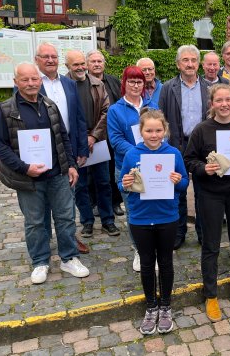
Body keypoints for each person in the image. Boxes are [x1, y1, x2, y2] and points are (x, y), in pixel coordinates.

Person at [0, 63, 90, 284]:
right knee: (35, 222)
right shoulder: (6, 109)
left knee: (66, 218)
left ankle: (68, 258)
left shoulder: (49, 105)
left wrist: (72, 166)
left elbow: (63, 137)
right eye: (25, 80)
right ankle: (40, 262)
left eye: (34, 79)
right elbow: (0, 146)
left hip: (57, 174)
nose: (30, 84)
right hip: (28, 179)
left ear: (40, 80)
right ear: (15, 81)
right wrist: (24, 167)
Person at [183, 84, 230, 322]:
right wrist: (203, 168)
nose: (224, 104)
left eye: (228, 100)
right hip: (210, 194)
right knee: (211, 245)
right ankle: (211, 294)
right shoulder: (202, 130)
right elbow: (189, 160)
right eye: (219, 100)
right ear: (212, 104)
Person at [118, 108, 189, 335]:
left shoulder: (174, 154)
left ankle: (166, 305)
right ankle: (151, 306)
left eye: (158, 130)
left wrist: (178, 181)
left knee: (166, 262)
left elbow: (184, 183)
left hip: (167, 216)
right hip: (140, 217)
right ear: (141, 131)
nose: (154, 134)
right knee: (147, 263)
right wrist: (126, 183)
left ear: (164, 130)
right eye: (149, 130)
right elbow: (122, 185)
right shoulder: (132, 154)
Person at [34, 43, 90, 255]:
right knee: (42, 200)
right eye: (45, 57)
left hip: (70, 150)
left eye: (53, 56)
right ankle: (45, 239)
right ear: (37, 59)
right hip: (41, 151)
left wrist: (82, 149)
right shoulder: (31, 83)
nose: (50, 60)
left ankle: (69, 237)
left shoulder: (69, 84)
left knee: (69, 196)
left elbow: (78, 118)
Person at [158, 45, 211, 248]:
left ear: (198, 63)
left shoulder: (208, 88)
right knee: (178, 190)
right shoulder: (168, 88)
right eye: (185, 60)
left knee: (203, 190)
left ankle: (202, 232)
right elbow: (161, 117)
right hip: (176, 144)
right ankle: (178, 232)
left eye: (193, 60)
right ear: (178, 63)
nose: (190, 64)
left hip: (202, 146)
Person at [108, 66, 160, 272]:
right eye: (131, 81)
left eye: (139, 81)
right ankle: (140, 250)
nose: (136, 85)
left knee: (153, 207)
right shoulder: (115, 110)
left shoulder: (152, 105)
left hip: (153, 167)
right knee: (134, 211)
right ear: (124, 83)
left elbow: (162, 131)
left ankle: (154, 247)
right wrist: (140, 151)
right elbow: (116, 140)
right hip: (128, 168)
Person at [64, 50, 119, 238]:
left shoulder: (98, 84)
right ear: (67, 67)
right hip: (75, 145)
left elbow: (107, 111)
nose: (80, 68)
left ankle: (108, 220)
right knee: (81, 185)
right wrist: (81, 140)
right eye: (75, 65)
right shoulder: (63, 86)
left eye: (82, 64)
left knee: (104, 182)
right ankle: (87, 221)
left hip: (98, 142)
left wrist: (93, 136)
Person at [87, 50, 126, 217]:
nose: (97, 64)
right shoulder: (82, 82)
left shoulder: (113, 81)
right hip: (94, 134)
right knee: (93, 172)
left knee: (113, 169)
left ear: (104, 64)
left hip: (112, 134)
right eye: (93, 61)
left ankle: (115, 202)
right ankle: (96, 202)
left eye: (99, 61)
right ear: (87, 64)